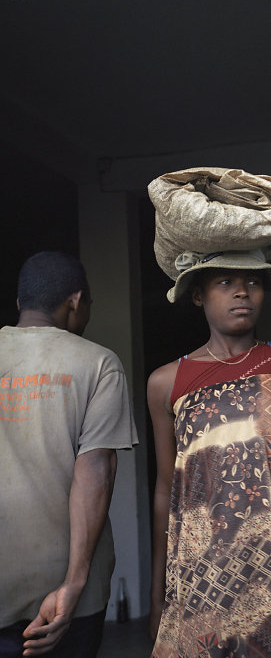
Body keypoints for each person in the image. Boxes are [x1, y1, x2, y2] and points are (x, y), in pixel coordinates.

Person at [147, 212, 271, 657]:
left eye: (252, 283)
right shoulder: (167, 382)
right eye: (224, 283)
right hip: (206, 576)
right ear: (197, 296)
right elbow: (167, 489)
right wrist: (157, 592)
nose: (242, 292)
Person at [0, 251, 138, 658]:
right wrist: (74, 583)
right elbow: (95, 470)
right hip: (64, 597)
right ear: (76, 300)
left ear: (21, 302)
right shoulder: (97, 364)